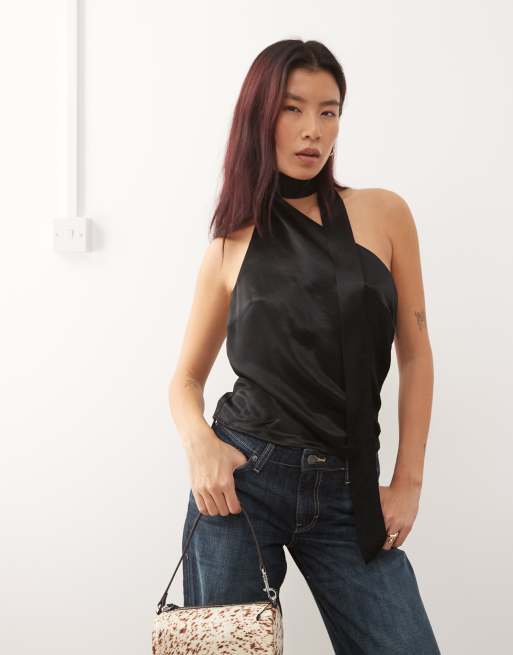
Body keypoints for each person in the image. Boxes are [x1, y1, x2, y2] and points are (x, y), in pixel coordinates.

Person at [169, 39, 441, 654]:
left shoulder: (384, 213)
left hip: (348, 485)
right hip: (243, 479)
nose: (312, 130)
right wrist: (200, 446)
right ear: (259, 116)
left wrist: (408, 481)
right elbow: (184, 379)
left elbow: (416, 353)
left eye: (328, 111)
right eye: (292, 109)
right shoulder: (230, 245)